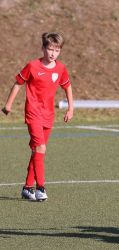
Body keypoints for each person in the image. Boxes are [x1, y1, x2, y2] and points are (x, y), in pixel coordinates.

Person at [2, 32, 74, 201]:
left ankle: (28, 188)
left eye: (56, 50)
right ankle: (41, 187)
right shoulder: (32, 66)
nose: (52, 53)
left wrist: (70, 109)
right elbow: (18, 84)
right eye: (50, 49)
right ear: (43, 48)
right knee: (41, 148)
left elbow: (68, 87)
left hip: (49, 115)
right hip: (33, 113)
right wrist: (8, 105)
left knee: (37, 151)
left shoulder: (60, 68)